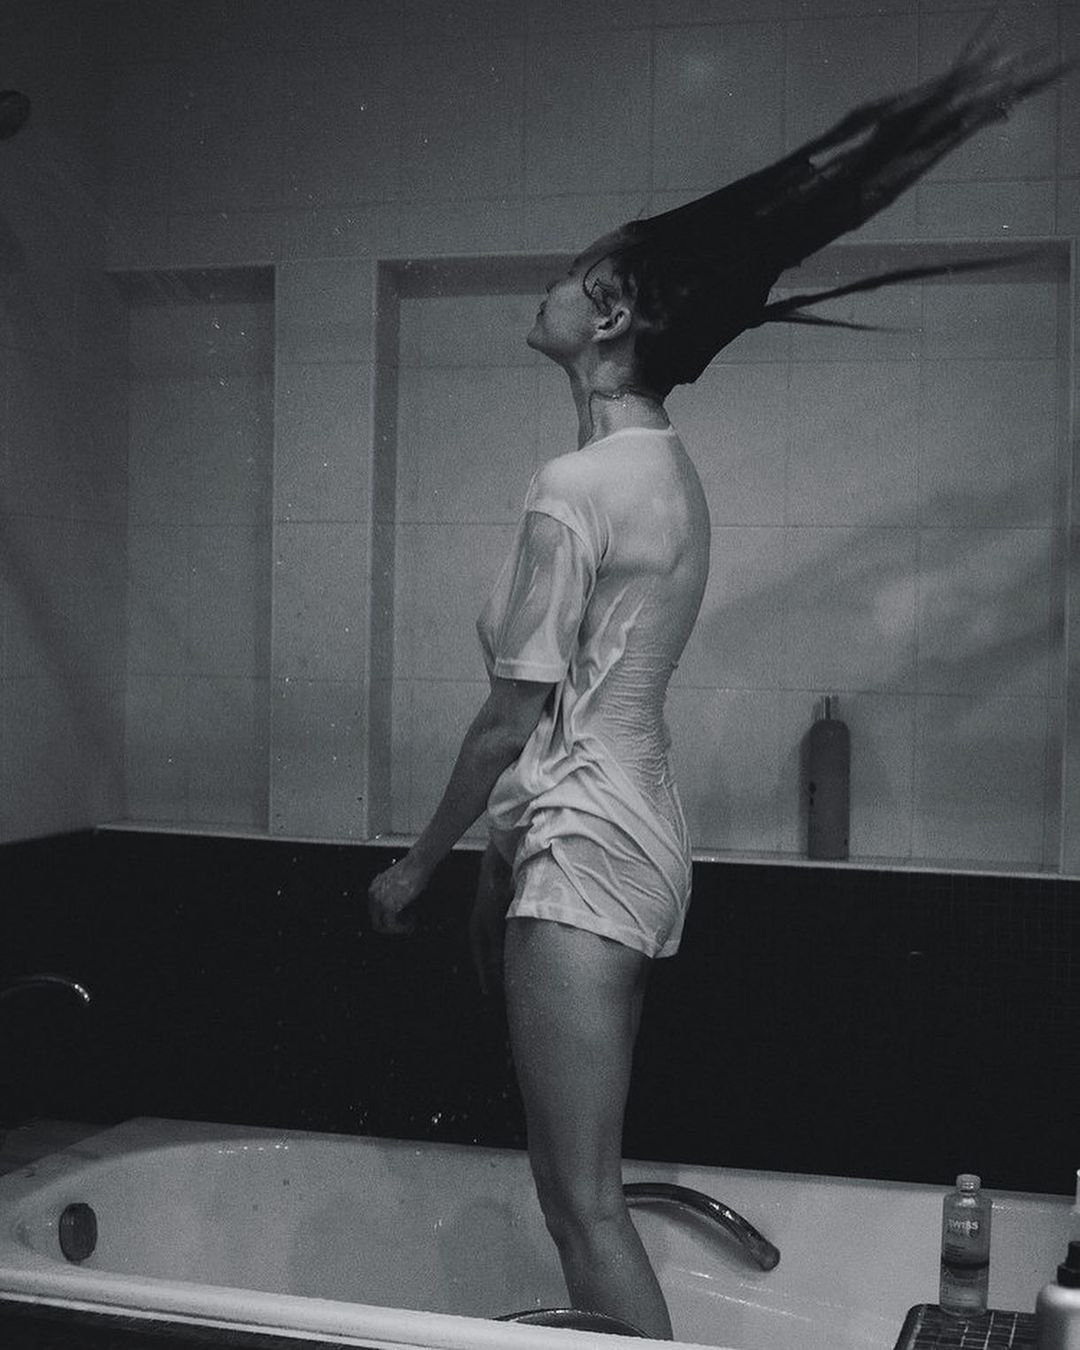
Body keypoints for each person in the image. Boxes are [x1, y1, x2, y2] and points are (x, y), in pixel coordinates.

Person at [368, 44, 1063, 1340]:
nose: (548, 288)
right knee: (584, 1198)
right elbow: (584, 702)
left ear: (611, 312)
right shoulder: (667, 473)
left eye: (571, 275)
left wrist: (418, 866)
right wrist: (499, 853)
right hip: (626, 838)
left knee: (583, 1207)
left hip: (584, 848)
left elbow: (512, 718)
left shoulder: (577, 487)